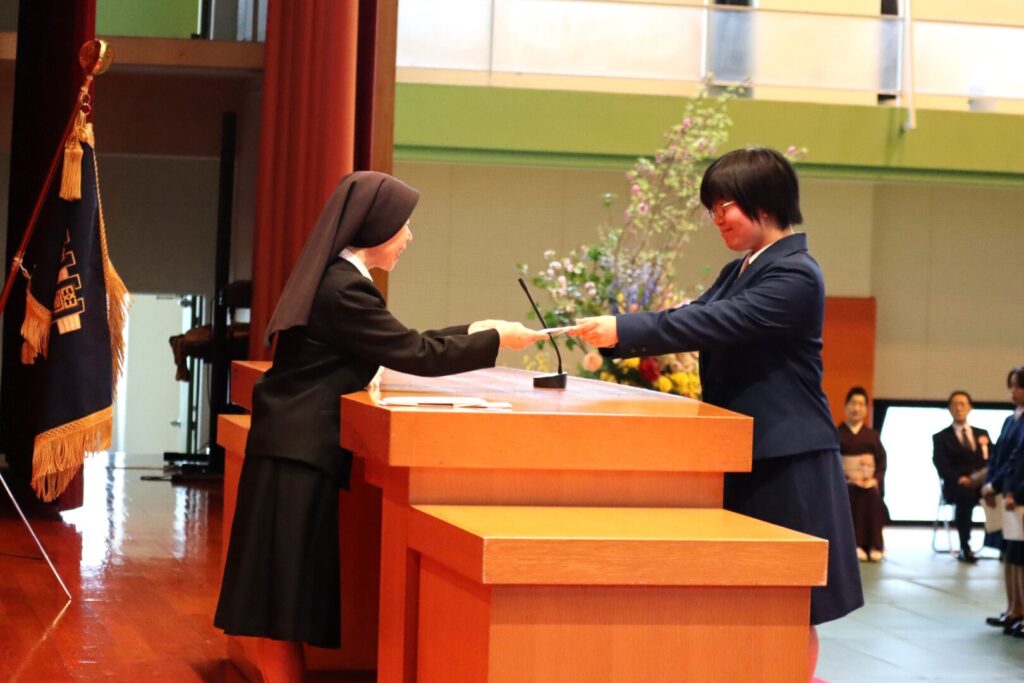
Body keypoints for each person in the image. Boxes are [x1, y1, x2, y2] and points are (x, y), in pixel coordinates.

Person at [213, 171, 544, 683]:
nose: (409, 236)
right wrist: (494, 338)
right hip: (295, 458)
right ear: (376, 226)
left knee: (279, 610)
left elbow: (397, 342)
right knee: (281, 614)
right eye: (403, 225)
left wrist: (479, 330)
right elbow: (415, 353)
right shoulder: (344, 288)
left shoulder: (338, 281)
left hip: (288, 450)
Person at [571, 146, 863, 677]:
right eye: (712, 208)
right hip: (745, 452)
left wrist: (623, 329)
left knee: (789, 600)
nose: (717, 218)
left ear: (764, 202)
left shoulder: (796, 274)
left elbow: (710, 323)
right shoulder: (739, 269)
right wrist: (618, 331)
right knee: (746, 594)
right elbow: (690, 313)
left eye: (725, 205)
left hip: (787, 457)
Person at [982, 366, 1024, 636]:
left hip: (1018, 493)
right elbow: (999, 457)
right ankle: (1014, 608)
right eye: (1011, 385)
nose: (1013, 391)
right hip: (1006, 491)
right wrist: (991, 484)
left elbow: (1018, 460)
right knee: (1009, 554)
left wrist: (1009, 490)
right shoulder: (1011, 420)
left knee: (1021, 557)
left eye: (1019, 386)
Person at [932, 390, 991, 563]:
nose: (959, 408)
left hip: (981, 483)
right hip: (956, 485)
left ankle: (1000, 544)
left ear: (970, 407)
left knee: (998, 493)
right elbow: (941, 465)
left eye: (962, 404)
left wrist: (981, 479)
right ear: (949, 408)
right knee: (965, 496)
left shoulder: (982, 434)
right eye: (955, 404)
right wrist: (960, 479)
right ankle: (965, 546)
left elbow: (993, 459)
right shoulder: (941, 437)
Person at [838, 387, 887, 562]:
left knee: (872, 495)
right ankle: (855, 544)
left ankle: (875, 544)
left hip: (868, 482)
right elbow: (833, 462)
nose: (856, 408)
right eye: (853, 403)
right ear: (845, 406)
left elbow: (881, 462)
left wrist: (875, 480)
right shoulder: (837, 434)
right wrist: (848, 479)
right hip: (846, 483)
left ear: (866, 409)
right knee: (853, 494)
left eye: (861, 404)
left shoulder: (872, 436)